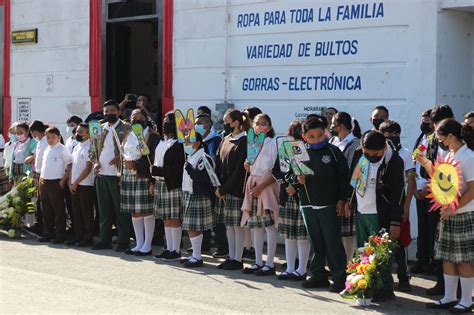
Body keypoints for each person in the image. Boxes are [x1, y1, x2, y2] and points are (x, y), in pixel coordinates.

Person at [290, 117, 348, 292]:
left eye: (320, 135)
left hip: (329, 205)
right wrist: (297, 179)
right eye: (312, 136)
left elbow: (344, 177)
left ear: (326, 133)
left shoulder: (333, 152)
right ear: (304, 136)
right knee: (315, 242)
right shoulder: (298, 152)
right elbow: (290, 175)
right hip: (307, 204)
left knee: (332, 242)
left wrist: (342, 199)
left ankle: (339, 278)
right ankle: (318, 276)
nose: (316, 139)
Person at [422, 119, 473, 313]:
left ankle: (467, 300)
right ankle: (450, 297)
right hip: (448, 213)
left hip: (463, 213)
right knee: (447, 257)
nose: (440, 141)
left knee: (463, 259)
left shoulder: (468, 156)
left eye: (441, 137)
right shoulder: (450, 153)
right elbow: (440, 180)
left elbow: (473, 189)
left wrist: (454, 207)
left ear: (451, 136)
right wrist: (426, 163)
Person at [349, 130, 404, 301]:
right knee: (363, 251)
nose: (371, 157)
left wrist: (396, 221)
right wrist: (347, 200)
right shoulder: (360, 154)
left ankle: (384, 287)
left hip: (380, 213)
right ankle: (365, 284)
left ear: (384, 147)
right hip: (361, 210)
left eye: (376, 154)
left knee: (380, 252)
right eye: (367, 153)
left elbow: (398, 193)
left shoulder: (393, 161)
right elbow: (353, 179)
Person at [90, 100, 132, 252]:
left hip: (118, 175)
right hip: (101, 174)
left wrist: (119, 158)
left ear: (118, 111)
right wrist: (95, 162)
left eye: (112, 110)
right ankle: (104, 239)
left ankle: (123, 241)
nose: (109, 113)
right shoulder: (98, 128)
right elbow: (92, 150)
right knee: (104, 210)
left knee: (120, 210)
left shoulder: (127, 128)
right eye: (106, 111)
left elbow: (132, 150)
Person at [379, 120, 417, 292]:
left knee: (401, 242)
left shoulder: (405, 154)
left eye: (396, 134)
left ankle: (403, 276)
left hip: (398, 202)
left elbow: (410, 181)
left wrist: (406, 207)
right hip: (380, 203)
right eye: (388, 135)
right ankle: (382, 276)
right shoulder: (378, 152)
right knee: (381, 240)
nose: (393, 138)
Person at [241, 113, 280, 276]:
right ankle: (258, 261)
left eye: (264, 124)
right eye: (257, 124)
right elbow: (251, 165)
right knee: (256, 226)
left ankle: (269, 263)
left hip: (266, 186)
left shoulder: (272, 144)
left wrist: (262, 185)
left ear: (269, 127)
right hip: (253, 185)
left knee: (269, 226)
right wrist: (247, 166)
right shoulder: (252, 144)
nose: (260, 126)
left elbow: (275, 169)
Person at [423, 104, 455, 296]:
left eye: (440, 123)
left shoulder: (462, 140)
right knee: (438, 242)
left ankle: (460, 287)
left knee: (456, 246)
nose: (436, 128)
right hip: (436, 197)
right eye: (435, 123)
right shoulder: (431, 140)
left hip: (457, 199)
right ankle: (442, 282)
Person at [119, 109, 160, 256]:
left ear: (146, 119)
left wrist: (136, 164)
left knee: (146, 210)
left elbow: (152, 158)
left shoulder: (152, 136)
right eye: (133, 118)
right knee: (134, 211)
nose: (136, 120)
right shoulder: (128, 135)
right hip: (128, 175)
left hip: (143, 175)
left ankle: (147, 245)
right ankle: (138, 243)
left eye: (140, 118)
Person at [275, 120, 310, 281]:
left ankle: (302, 269)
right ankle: (290, 267)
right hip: (287, 196)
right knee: (289, 235)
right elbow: (278, 170)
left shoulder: (305, 150)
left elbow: (307, 173)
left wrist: (295, 186)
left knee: (301, 235)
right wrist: (285, 184)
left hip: (301, 197)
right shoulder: (284, 148)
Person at [215, 109, 249, 270]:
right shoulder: (226, 139)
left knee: (237, 225)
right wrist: (217, 185)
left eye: (227, 121)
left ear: (236, 122)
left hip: (235, 190)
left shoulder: (244, 140)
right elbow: (218, 162)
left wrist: (226, 188)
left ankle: (238, 258)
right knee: (229, 225)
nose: (225, 124)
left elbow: (239, 170)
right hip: (223, 189)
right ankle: (231, 256)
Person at [151, 111, 185, 261]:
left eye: (168, 121)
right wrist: (152, 179)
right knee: (165, 217)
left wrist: (159, 171)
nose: (165, 123)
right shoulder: (161, 141)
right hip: (159, 183)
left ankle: (176, 250)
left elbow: (178, 168)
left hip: (171, 184)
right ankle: (168, 247)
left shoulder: (179, 144)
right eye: (164, 120)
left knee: (174, 217)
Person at [180, 133, 216, 267]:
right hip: (189, 193)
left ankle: (197, 256)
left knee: (192, 226)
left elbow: (204, 178)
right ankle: (196, 254)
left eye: (190, 141)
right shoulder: (191, 156)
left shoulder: (203, 157)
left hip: (198, 194)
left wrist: (190, 169)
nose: (187, 144)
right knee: (192, 226)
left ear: (198, 143)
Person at [329, 112, 361, 263]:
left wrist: (348, 198)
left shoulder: (355, 144)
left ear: (341, 125)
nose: (331, 125)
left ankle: (348, 264)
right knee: (335, 231)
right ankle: (337, 264)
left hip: (347, 193)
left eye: (334, 122)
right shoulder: (332, 141)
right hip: (332, 193)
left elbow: (353, 172)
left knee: (348, 233)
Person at [195, 113, 228, 258]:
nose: (197, 126)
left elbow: (215, 160)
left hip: (214, 182)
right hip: (201, 182)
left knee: (216, 218)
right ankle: (204, 245)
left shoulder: (215, 139)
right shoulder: (198, 140)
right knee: (203, 215)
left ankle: (223, 247)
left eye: (199, 123)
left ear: (208, 124)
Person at [411, 109, 436, 274]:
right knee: (422, 227)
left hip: (433, 189)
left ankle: (433, 262)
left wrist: (428, 187)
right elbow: (415, 159)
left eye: (427, 120)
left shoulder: (437, 140)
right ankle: (422, 259)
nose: (424, 123)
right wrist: (414, 188)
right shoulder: (422, 138)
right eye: (422, 119)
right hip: (419, 188)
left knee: (432, 228)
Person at [38, 127, 72, 244]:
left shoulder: (62, 149)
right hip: (44, 181)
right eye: (48, 137)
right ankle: (48, 233)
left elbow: (70, 165)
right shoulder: (47, 149)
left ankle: (60, 234)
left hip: (56, 182)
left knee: (58, 210)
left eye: (53, 137)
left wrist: (63, 181)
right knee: (46, 208)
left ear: (59, 137)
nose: (50, 139)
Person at [67, 123, 95, 247]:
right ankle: (78, 235)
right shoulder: (77, 146)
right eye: (77, 131)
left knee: (86, 212)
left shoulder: (91, 146)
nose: (78, 134)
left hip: (85, 184)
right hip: (74, 185)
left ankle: (88, 237)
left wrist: (76, 182)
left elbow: (88, 168)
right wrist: (70, 182)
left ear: (88, 133)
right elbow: (72, 165)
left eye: (81, 132)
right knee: (76, 212)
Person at [29, 120, 48, 236]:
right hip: (38, 173)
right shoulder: (40, 142)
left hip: (44, 175)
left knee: (44, 203)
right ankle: (40, 226)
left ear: (35, 132)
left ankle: (46, 229)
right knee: (39, 202)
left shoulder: (46, 141)